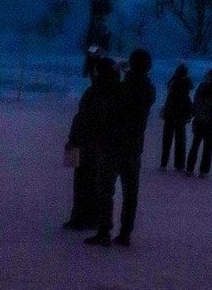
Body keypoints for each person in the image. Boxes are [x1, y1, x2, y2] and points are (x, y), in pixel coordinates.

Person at [86, 47, 156, 248]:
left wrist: (112, 71)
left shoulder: (125, 88)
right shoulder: (147, 89)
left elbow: (105, 94)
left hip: (114, 144)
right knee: (130, 192)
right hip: (134, 147)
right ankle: (125, 233)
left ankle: (103, 231)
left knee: (105, 189)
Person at [63, 55, 118, 230]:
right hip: (87, 143)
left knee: (89, 183)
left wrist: (74, 138)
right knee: (86, 182)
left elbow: (86, 119)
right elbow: (81, 118)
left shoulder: (101, 92)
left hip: (92, 144)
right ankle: (82, 216)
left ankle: (85, 217)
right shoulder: (97, 91)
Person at [186, 68, 212, 179]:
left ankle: (194, 169)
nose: (207, 76)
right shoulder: (210, 89)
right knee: (202, 147)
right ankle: (199, 170)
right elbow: (199, 104)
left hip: (204, 122)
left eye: (209, 75)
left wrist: (193, 115)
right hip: (204, 122)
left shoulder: (207, 88)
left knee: (201, 146)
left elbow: (199, 104)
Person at [160, 62, 193, 171]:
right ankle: (179, 164)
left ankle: (164, 163)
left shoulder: (173, 83)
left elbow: (169, 97)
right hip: (181, 114)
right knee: (180, 140)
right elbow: (188, 98)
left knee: (167, 139)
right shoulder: (186, 83)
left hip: (171, 113)